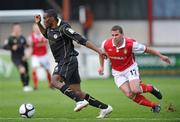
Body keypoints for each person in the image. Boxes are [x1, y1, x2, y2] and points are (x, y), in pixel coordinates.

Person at [34, 9, 112, 118]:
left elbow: (81, 40)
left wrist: (99, 50)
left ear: (52, 18)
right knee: (78, 92)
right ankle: (105, 108)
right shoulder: (50, 28)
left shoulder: (64, 28)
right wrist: (38, 24)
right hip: (67, 62)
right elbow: (46, 34)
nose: (44, 20)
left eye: (45, 18)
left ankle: (79, 101)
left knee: (54, 81)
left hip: (67, 60)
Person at [98, 25, 171, 113]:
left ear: (122, 35)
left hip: (130, 68)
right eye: (112, 35)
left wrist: (161, 56)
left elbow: (147, 49)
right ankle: (154, 106)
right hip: (117, 72)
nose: (114, 37)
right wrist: (101, 66)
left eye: (116, 35)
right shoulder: (106, 43)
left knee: (135, 90)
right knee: (129, 94)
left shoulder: (130, 44)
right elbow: (100, 53)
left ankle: (151, 88)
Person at [2, 23, 32, 92]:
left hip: (23, 57)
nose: (17, 29)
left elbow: (27, 46)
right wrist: (11, 47)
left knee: (26, 71)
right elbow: (4, 46)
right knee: (22, 70)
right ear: (13, 29)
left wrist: (27, 54)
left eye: (18, 28)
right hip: (15, 58)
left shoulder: (22, 37)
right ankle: (25, 86)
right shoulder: (10, 38)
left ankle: (27, 85)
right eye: (16, 28)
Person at [28, 23, 52, 90]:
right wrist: (29, 54)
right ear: (33, 29)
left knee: (47, 70)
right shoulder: (31, 37)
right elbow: (30, 47)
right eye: (35, 28)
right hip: (35, 56)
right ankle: (35, 86)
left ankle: (50, 84)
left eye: (37, 28)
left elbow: (47, 45)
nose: (36, 29)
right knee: (34, 69)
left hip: (44, 55)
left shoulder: (45, 35)